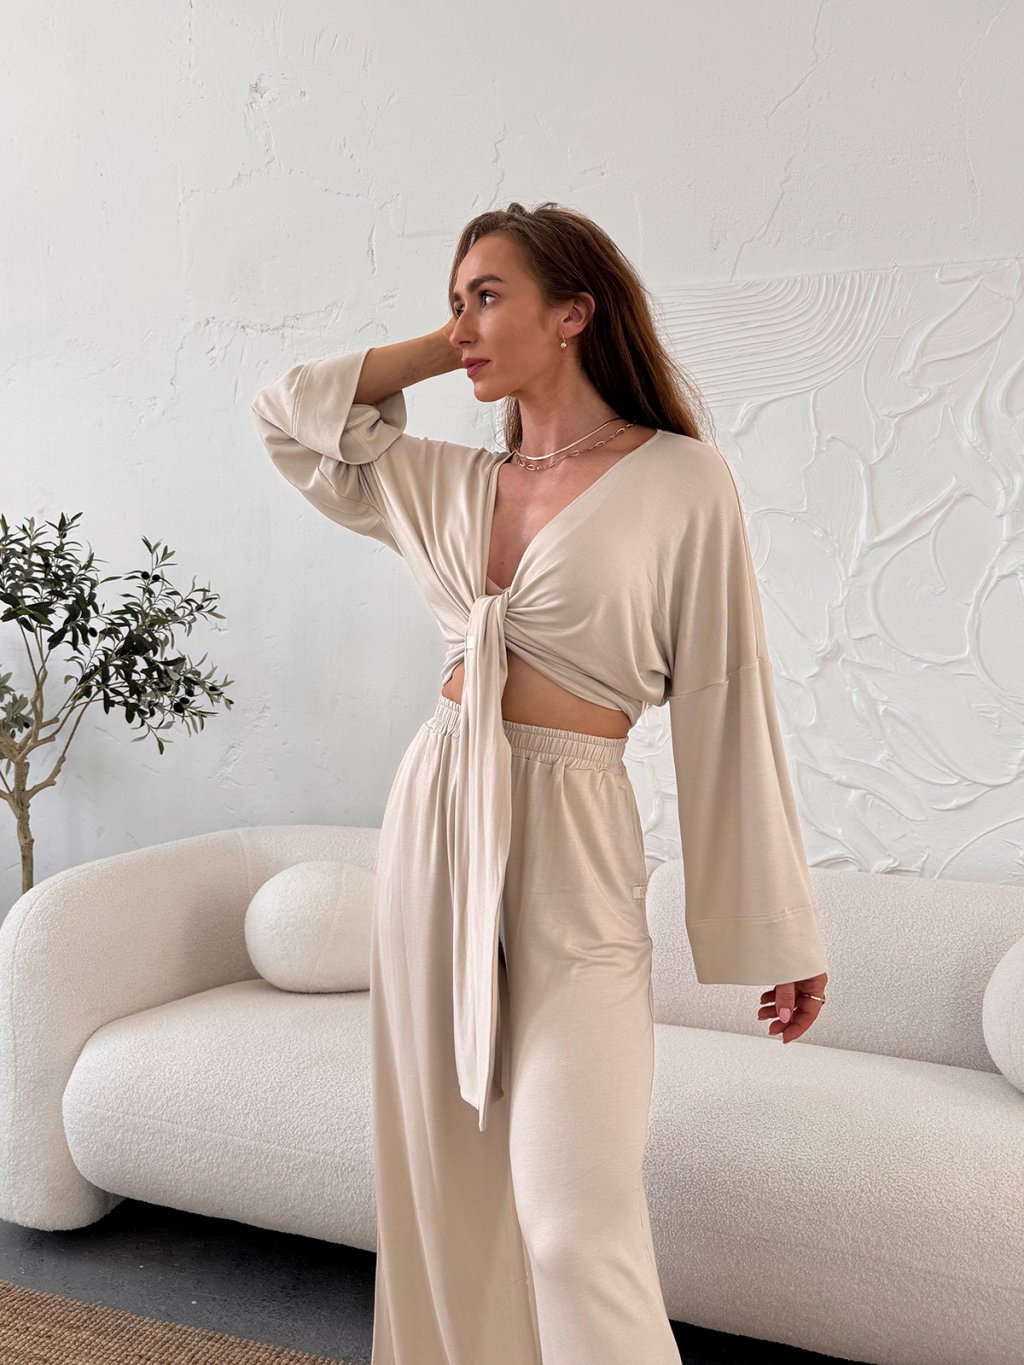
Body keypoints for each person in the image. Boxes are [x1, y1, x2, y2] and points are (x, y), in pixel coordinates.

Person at [250, 200, 829, 1365]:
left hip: (576, 827)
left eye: (487, 297)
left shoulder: (680, 480)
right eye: (452, 299)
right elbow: (286, 412)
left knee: (574, 1227)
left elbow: (725, 699)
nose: (461, 323)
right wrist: (449, 345)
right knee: (447, 1192)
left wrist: (779, 927)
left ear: (574, 313)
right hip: (437, 816)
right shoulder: (438, 480)